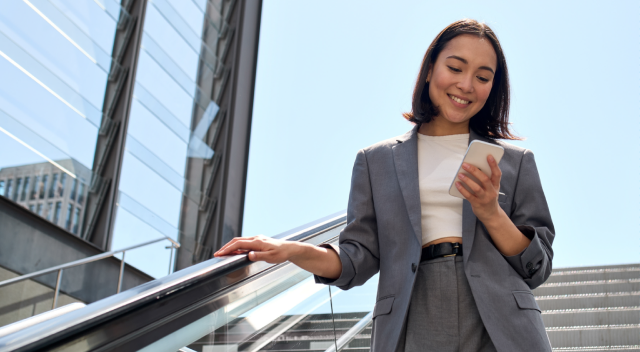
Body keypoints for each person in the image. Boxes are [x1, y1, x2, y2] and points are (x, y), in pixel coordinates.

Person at [215, 19, 555, 352]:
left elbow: (537, 267)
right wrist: (292, 250)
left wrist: (490, 213)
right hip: (411, 312)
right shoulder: (375, 160)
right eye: (455, 68)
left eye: (483, 77)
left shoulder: (514, 160)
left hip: (500, 321)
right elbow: (356, 259)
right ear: (429, 70)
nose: (467, 85)